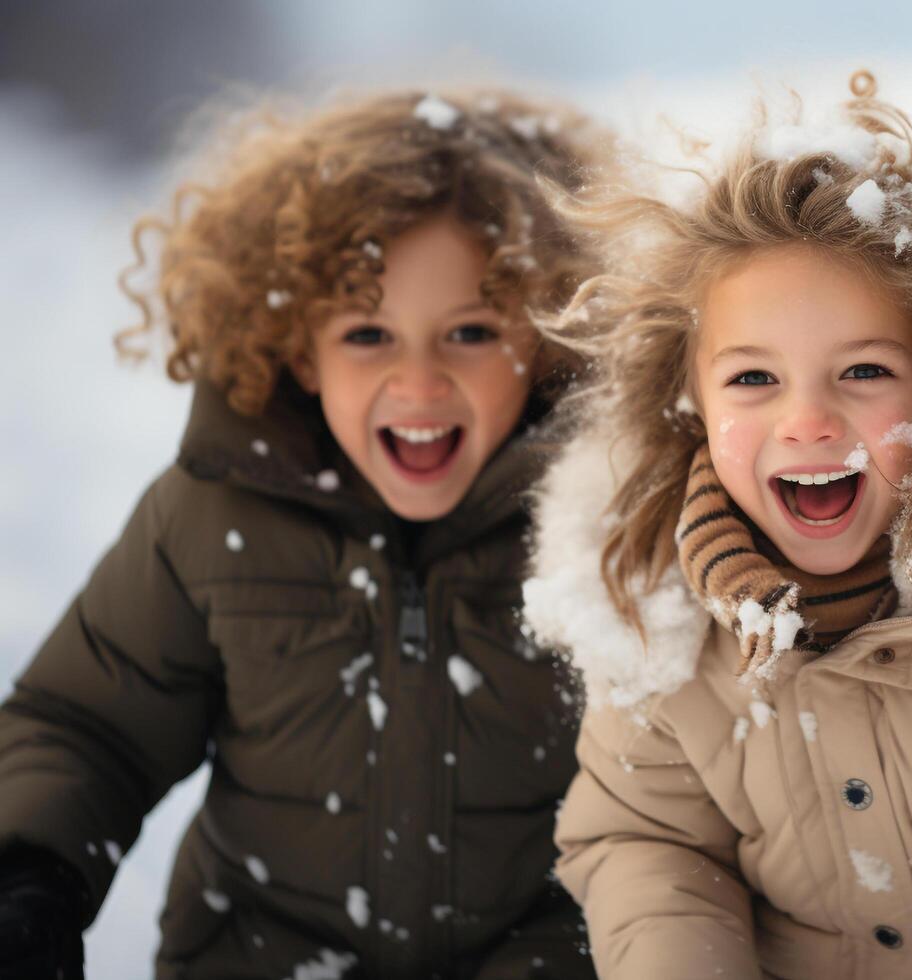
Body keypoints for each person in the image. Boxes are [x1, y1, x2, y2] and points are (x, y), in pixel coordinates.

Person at [0, 88, 605, 979]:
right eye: (368, 334)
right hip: (267, 954)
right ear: (294, 347)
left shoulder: (598, 520)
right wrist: (30, 878)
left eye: (470, 332)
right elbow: (90, 724)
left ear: (549, 332)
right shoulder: (213, 513)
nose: (419, 381)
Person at [524, 74, 912, 979]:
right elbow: (648, 846)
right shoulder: (658, 618)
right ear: (688, 400)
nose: (807, 422)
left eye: (864, 372)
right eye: (754, 380)